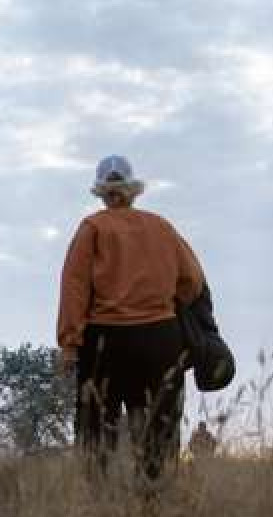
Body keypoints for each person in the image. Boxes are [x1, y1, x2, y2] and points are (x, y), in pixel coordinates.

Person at [57, 155, 206, 483]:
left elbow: (74, 288)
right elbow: (193, 281)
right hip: (161, 339)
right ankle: (153, 503)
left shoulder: (93, 228)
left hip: (106, 342)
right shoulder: (162, 227)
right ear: (132, 190)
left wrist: (70, 343)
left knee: (96, 427)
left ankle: (101, 502)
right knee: (159, 427)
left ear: (101, 192)